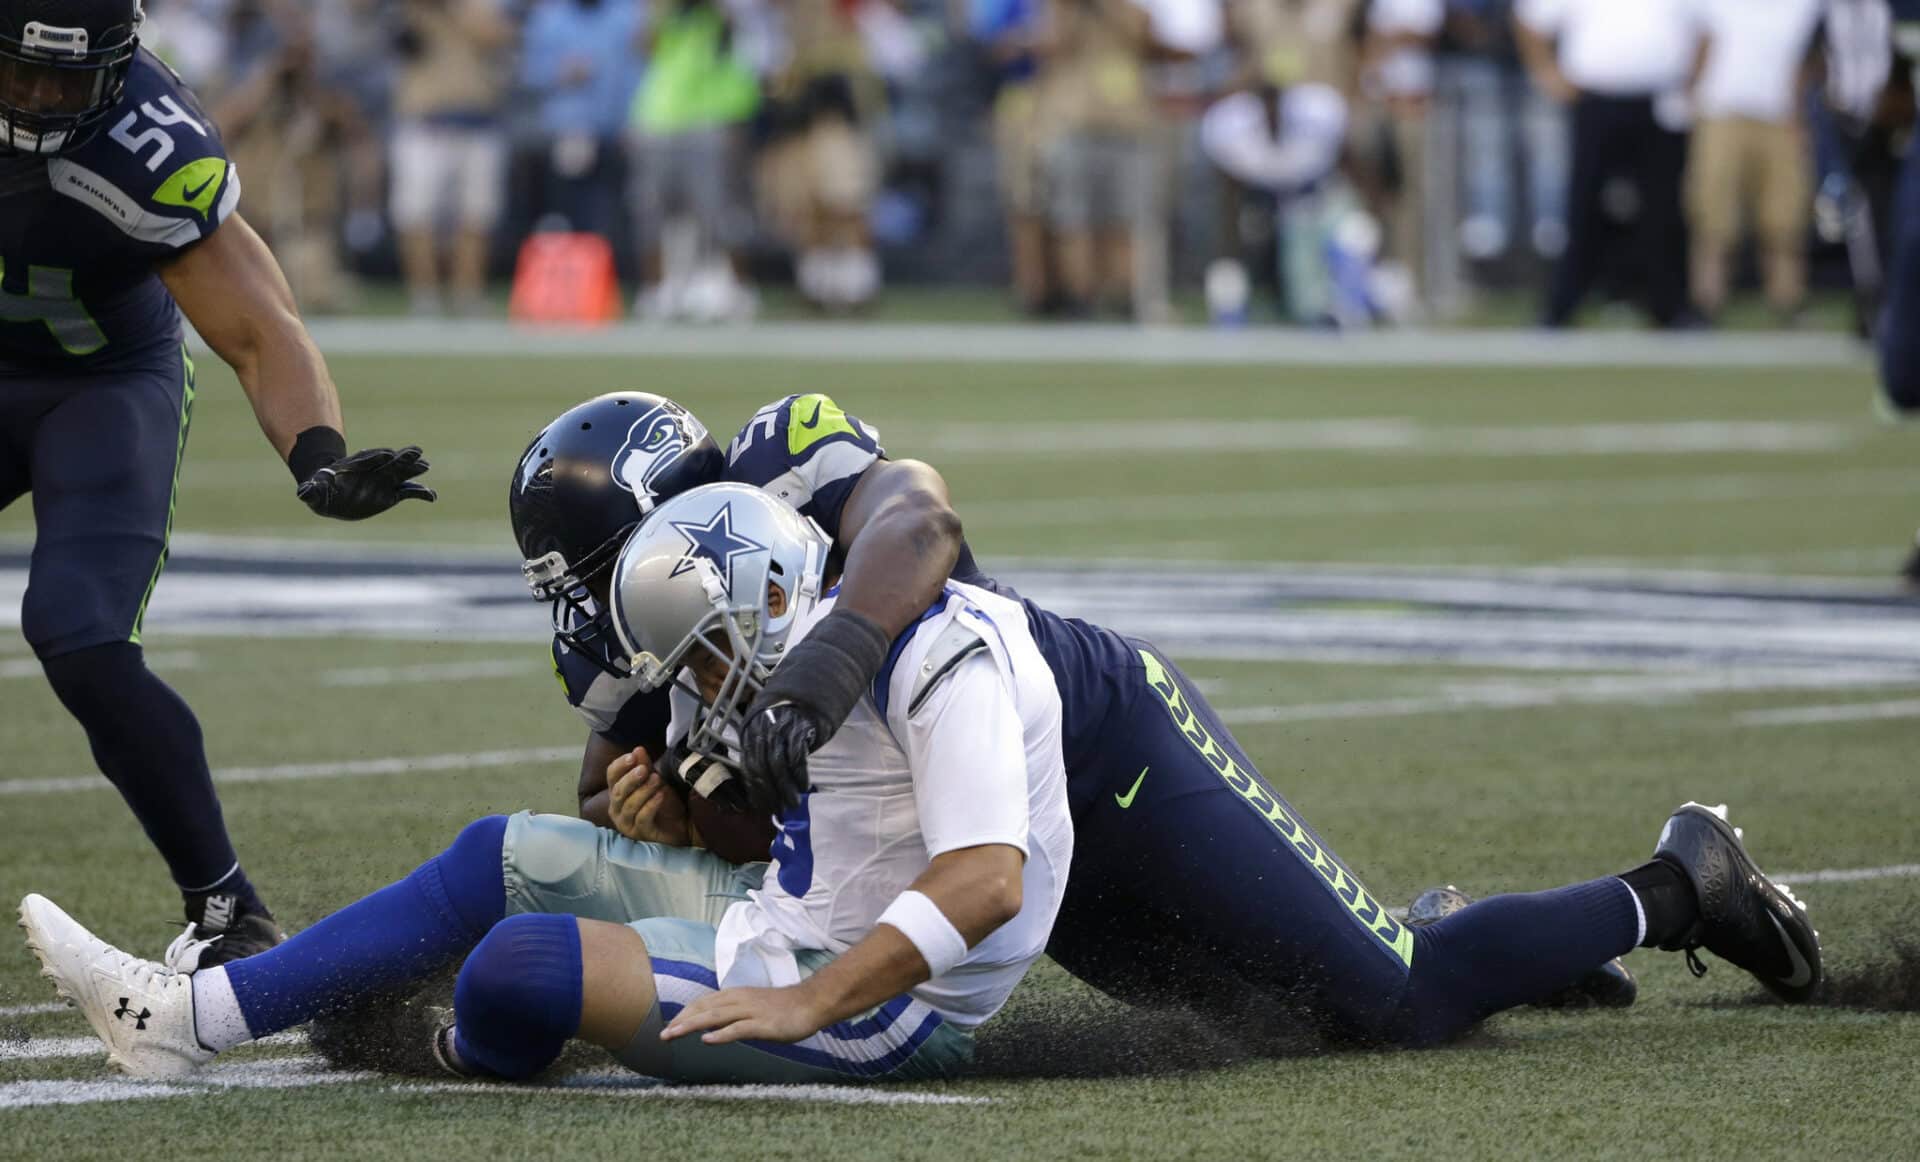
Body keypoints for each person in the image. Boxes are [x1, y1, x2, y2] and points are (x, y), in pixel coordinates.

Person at [510, 393, 1823, 1046]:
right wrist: (679, 810)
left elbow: (920, 520)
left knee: (1403, 1002)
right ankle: (1475, 941)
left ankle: (1681, 876)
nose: (600, 616)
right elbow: (746, 817)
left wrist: (828, 662)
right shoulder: (650, 623)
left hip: (1088, 746)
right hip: (990, 846)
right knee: (1289, 1025)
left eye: (599, 571)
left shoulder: (780, 458)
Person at [23, 482, 1074, 1084]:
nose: (704, 690)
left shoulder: (942, 654)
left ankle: (452, 1050)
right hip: (798, 912)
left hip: (887, 995)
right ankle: (187, 1016)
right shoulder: (811, 633)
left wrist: (810, 999)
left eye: (707, 657)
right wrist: (688, 824)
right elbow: (838, 833)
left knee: (517, 966)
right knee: (498, 855)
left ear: (761, 600)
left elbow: (986, 880)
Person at [0, 0, 435, 968]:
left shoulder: (151, 146)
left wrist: (317, 455)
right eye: (20, 70)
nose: (36, 98)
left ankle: (228, 906)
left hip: (98, 386)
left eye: (65, 79)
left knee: (80, 633)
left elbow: (259, 327)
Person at [1515, 0, 1699, 328]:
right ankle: (1562, 306)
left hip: (1660, 99)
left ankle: (1671, 307)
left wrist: (1691, 87)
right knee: (1583, 205)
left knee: (1663, 208)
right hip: (1594, 99)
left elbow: (1705, 28)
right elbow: (1531, 21)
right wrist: (1547, 74)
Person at [1685, 0, 1824, 323]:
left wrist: (1800, 107)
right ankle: (1705, 303)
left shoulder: (1803, 6)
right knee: (1713, 216)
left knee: (1785, 218)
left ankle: (1788, 301)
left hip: (1781, 116)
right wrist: (1691, 98)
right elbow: (1701, 47)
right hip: (1722, 112)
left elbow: (1811, 59)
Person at [388, 0, 514, 316]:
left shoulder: (480, 7)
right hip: (426, 121)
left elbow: (495, 37)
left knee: (476, 214)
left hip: (478, 121)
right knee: (416, 215)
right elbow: (399, 39)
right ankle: (425, 295)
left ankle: (467, 292)